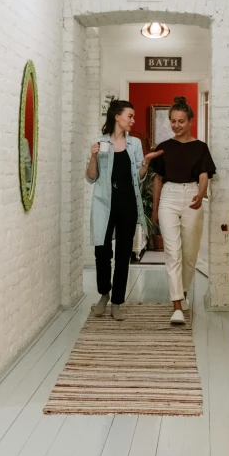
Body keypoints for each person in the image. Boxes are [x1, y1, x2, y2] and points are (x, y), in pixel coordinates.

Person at [86, 100, 163, 320]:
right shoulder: (100, 143)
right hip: (104, 203)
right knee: (102, 252)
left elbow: (137, 177)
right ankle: (103, 295)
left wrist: (145, 163)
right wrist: (93, 157)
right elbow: (91, 177)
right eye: (130, 115)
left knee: (122, 255)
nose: (133, 120)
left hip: (128, 203)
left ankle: (117, 302)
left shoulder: (135, 144)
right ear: (117, 116)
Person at [151, 96, 216, 324]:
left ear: (190, 121)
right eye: (173, 121)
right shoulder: (163, 148)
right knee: (172, 251)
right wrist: (155, 208)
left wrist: (201, 192)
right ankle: (177, 304)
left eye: (181, 121)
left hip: (191, 196)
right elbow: (158, 179)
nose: (176, 125)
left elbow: (204, 173)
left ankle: (184, 292)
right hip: (168, 196)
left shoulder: (200, 148)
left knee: (189, 254)